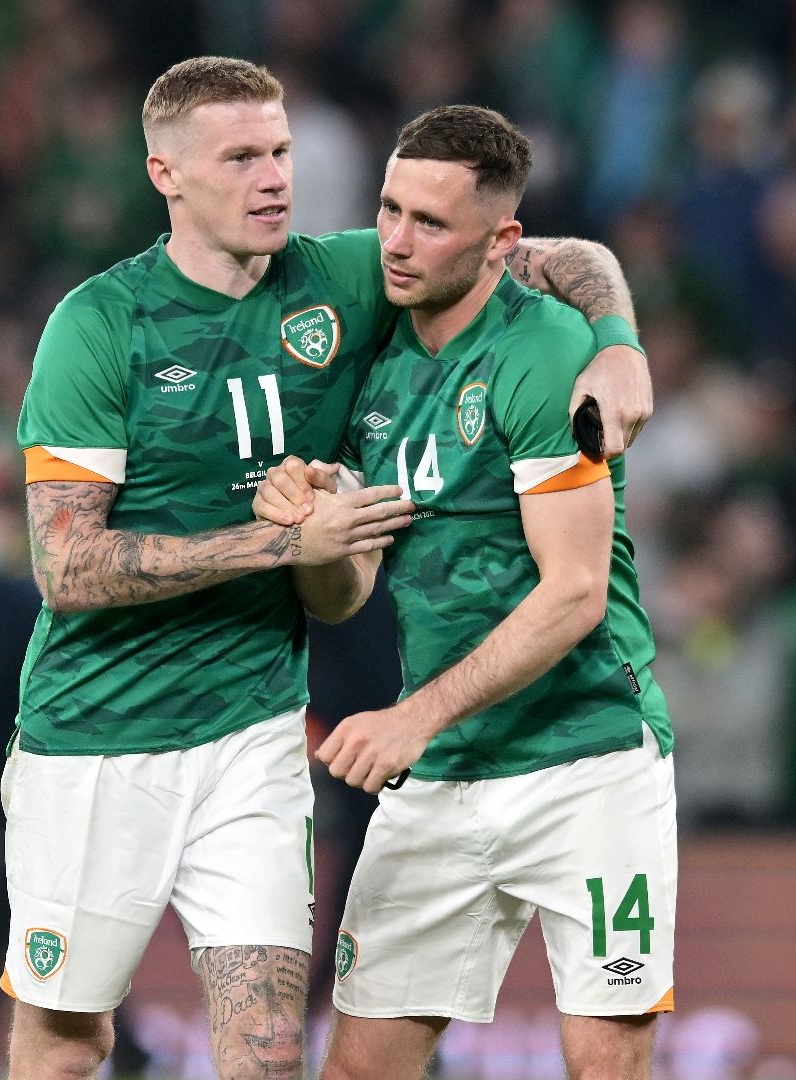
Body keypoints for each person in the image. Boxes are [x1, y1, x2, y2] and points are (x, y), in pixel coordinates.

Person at [7, 56, 653, 1080]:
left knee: (269, 1052)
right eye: (240, 158)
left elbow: (548, 253)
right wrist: (282, 544)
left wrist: (617, 344)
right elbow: (68, 566)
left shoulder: (348, 276)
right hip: (93, 732)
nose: (273, 178)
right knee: (67, 1038)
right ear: (165, 173)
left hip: (255, 729)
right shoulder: (99, 325)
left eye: (281, 152)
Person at [253, 105, 673, 1080]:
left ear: (501, 244)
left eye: (430, 223)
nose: (396, 242)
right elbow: (346, 589)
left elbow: (573, 596)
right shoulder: (365, 330)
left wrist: (412, 718)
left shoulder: (546, 353)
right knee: (359, 1067)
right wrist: (308, 530)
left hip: (587, 758)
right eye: (389, 210)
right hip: (445, 772)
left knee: (605, 1061)